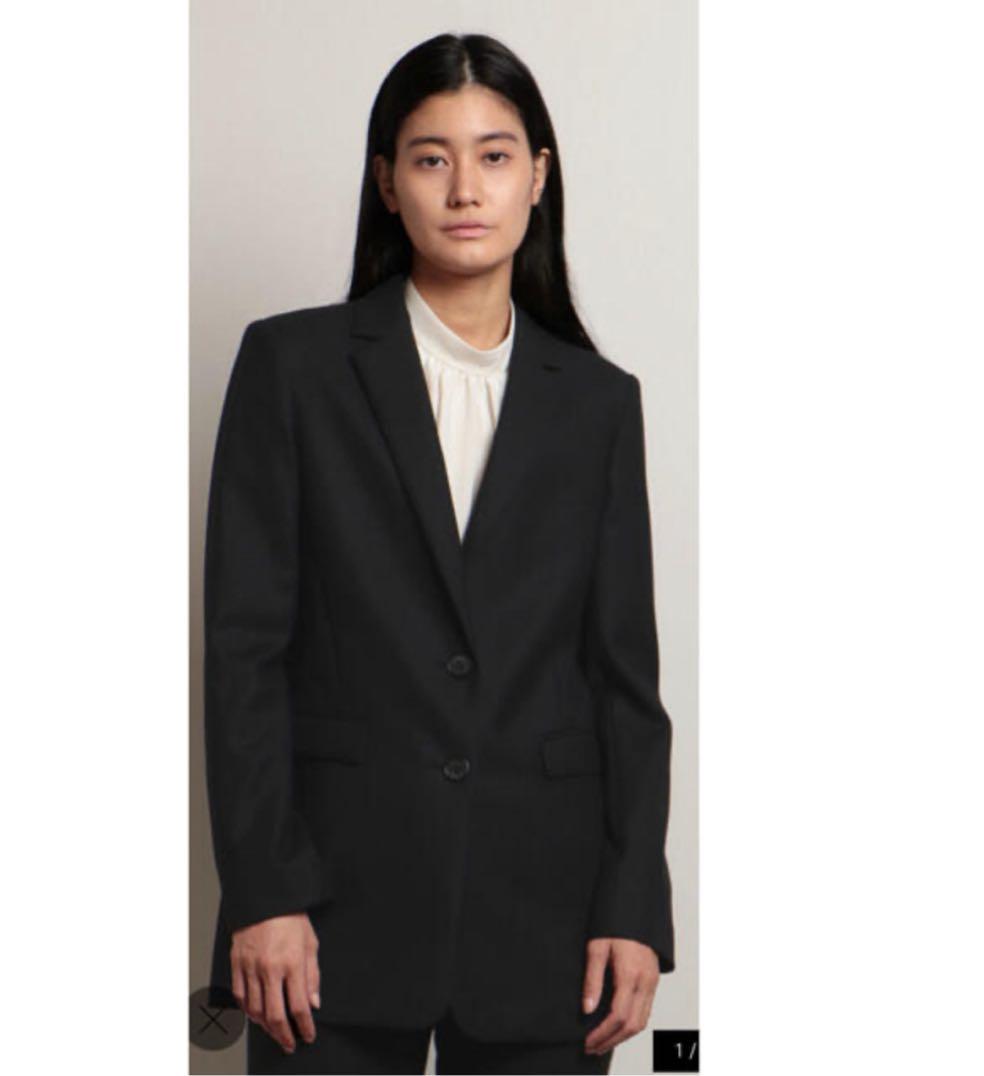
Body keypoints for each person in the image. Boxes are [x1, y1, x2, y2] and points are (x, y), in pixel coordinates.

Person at [203, 32, 676, 1075]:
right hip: (324, 918)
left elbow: (622, 682)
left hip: (550, 923)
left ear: (539, 176)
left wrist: (634, 904)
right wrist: (264, 890)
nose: (466, 188)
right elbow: (244, 655)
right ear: (387, 182)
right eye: (431, 158)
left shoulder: (600, 404)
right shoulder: (293, 367)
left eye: (495, 156)